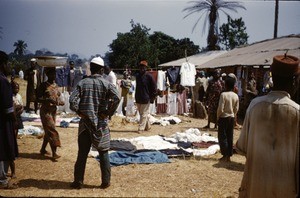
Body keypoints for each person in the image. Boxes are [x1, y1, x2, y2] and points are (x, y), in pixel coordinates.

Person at [236, 54, 300, 197]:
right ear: (295, 80)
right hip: (286, 190)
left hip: (255, 188)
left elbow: (242, 147)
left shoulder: (255, 106)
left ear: (272, 77)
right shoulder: (297, 112)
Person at [69, 57, 120, 189]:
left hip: (85, 124)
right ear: (102, 69)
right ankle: (105, 181)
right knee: (103, 153)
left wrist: (79, 112)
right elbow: (117, 97)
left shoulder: (82, 83)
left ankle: (78, 181)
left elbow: (72, 100)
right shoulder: (106, 84)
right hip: (101, 124)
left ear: (91, 69)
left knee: (82, 154)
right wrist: (108, 112)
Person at [0, 51, 18, 189]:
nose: (9, 66)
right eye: (7, 63)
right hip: (4, 122)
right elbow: (8, 108)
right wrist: (15, 117)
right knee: (5, 148)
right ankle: (2, 180)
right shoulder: (3, 82)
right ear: (2, 64)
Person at [37, 67, 64, 160]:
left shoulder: (55, 85)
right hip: (45, 111)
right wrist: (47, 99)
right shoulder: (43, 85)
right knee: (52, 130)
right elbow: (37, 98)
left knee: (49, 130)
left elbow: (58, 97)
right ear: (47, 74)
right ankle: (54, 153)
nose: (54, 76)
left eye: (55, 74)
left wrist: (60, 102)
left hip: (53, 111)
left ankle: (43, 149)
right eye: (52, 74)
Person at [216, 74, 239, 162]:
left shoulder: (223, 95)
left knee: (222, 137)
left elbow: (220, 108)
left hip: (223, 117)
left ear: (225, 85)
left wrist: (218, 117)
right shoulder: (235, 95)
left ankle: (225, 154)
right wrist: (233, 114)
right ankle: (229, 155)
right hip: (231, 117)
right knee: (230, 136)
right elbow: (236, 108)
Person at [135, 60, 157, 132]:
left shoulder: (149, 77)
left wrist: (152, 97)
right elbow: (137, 87)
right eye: (140, 67)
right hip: (138, 97)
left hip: (146, 98)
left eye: (143, 67)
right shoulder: (137, 76)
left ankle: (141, 128)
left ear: (146, 68)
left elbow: (154, 88)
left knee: (143, 114)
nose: (142, 69)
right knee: (142, 113)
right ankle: (148, 126)